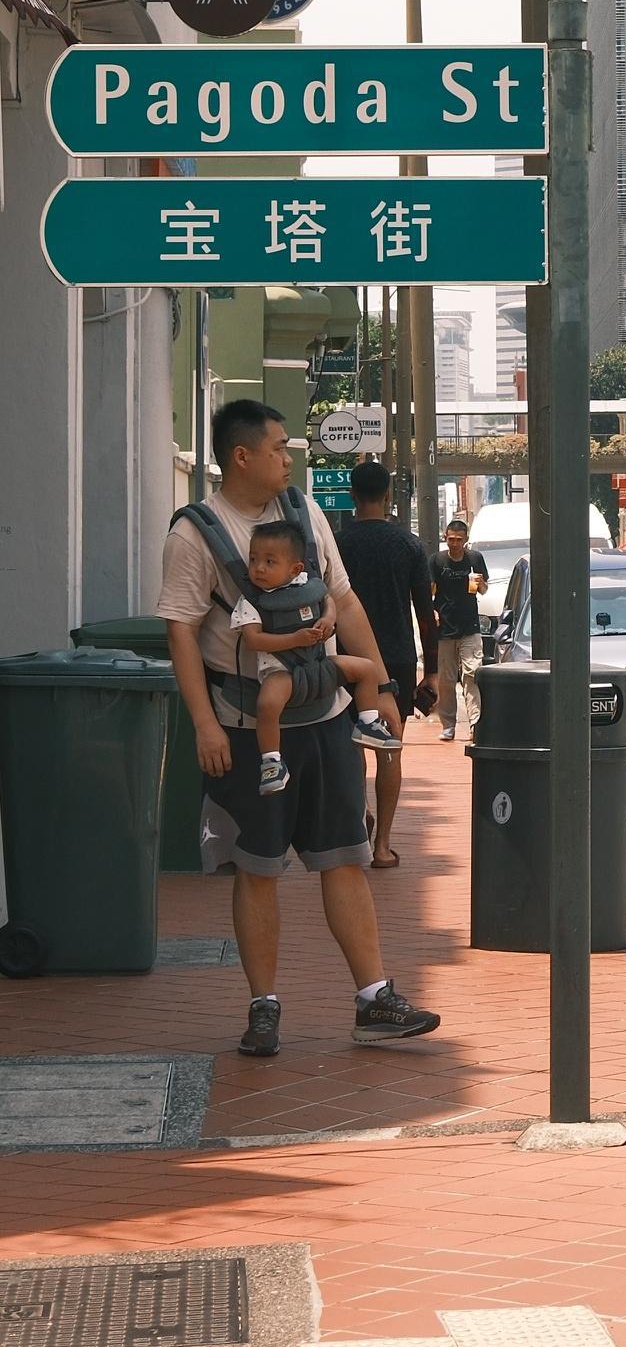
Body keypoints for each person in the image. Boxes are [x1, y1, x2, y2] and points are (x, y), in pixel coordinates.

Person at [158, 399, 439, 1060]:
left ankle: (375, 999)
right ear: (242, 457)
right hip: (252, 728)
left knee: (345, 855)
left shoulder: (306, 514)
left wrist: (386, 687)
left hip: (329, 718)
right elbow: (180, 631)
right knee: (258, 869)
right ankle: (263, 1008)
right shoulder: (194, 535)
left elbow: (343, 603)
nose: (291, 458)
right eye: (280, 448)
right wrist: (205, 724)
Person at [332, 461, 440, 868]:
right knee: (389, 750)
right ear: (389, 496)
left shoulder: (339, 545)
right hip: (394, 660)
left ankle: (361, 824)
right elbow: (426, 617)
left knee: (351, 746)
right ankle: (383, 846)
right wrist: (432, 672)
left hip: (344, 655)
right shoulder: (409, 546)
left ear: (352, 496)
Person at [235, 520, 393, 793]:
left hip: (319, 663)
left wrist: (329, 619)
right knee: (267, 704)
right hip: (280, 670)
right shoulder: (251, 601)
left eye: (270, 562)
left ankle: (368, 722)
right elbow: (253, 639)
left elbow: (328, 599)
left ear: (295, 568)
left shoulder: (308, 584)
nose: (258, 568)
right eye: (253, 559)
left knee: (367, 669)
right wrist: (293, 640)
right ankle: (271, 762)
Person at [431, 515, 490, 741]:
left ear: (466, 540)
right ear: (445, 538)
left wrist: (481, 582)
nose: (454, 543)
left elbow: (483, 590)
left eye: (459, 539)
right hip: (444, 628)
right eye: (451, 539)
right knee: (446, 679)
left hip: (470, 627)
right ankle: (448, 724)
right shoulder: (436, 561)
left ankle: (475, 723)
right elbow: (429, 590)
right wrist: (432, 611)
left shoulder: (475, 558)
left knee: (472, 674)